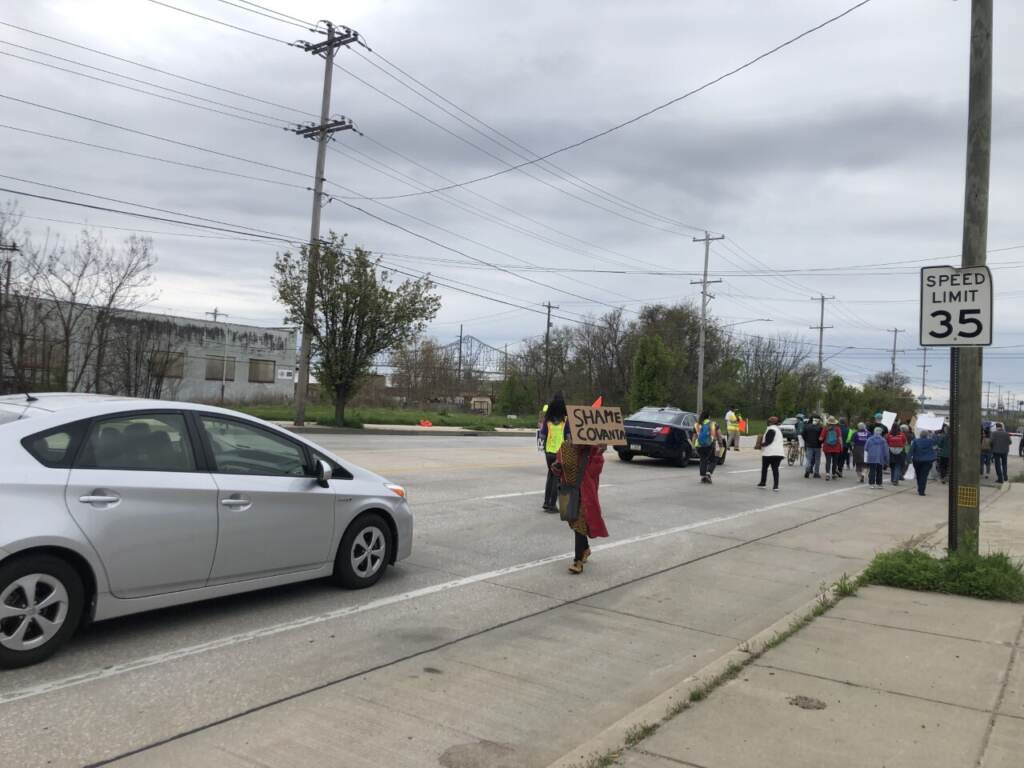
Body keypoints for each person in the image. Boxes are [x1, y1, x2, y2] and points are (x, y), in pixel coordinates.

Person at [553, 441, 608, 574]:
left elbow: (595, 472)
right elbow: (557, 468)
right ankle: (586, 549)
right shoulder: (564, 447)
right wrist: (556, 468)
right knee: (572, 521)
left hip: (585, 493)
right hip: (568, 490)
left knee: (579, 524)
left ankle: (577, 561)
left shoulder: (593, 449)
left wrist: (599, 454)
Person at [539, 393, 569, 512]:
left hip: (548, 452)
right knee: (557, 478)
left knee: (550, 476)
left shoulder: (548, 420)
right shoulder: (566, 420)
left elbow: (542, 435)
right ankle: (552, 504)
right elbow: (568, 436)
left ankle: (546, 502)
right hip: (560, 452)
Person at [757, 416, 785, 491]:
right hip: (779, 453)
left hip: (769, 453)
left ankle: (763, 483)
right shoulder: (778, 430)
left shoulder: (771, 429)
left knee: (765, 468)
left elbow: (769, 441)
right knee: (775, 469)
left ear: (770, 422)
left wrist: (760, 445)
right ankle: (776, 486)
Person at [694, 409, 722, 484]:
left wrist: (694, 446)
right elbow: (719, 435)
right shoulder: (713, 424)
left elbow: (694, 436)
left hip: (698, 445)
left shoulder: (697, 424)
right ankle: (708, 474)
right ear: (709, 416)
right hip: (709, 445)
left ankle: (703, 476)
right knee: (714, 459)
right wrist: (721, 444)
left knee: (703, 459)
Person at [908, 429, 938, 496]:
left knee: (918, 475)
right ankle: (922, 490)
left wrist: (908, 459)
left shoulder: (915, 441)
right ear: (927, 435)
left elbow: (911, 450)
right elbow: (936, 442)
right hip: (927, 460)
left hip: (917, 460)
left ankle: (920, 488)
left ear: (920, 435)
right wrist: (932, 434)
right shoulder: (931, 441)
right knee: (924, 475)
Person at [820, 416, 844, 481]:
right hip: (836, 447)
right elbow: (840, 438)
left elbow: (821, 438)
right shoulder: (838, 428)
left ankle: (827, 474)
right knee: (835, 462)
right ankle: (833, 474)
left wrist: (822, 439)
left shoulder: (825, 428)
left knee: (828, 461)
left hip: (827, 447)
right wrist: (841, 446)